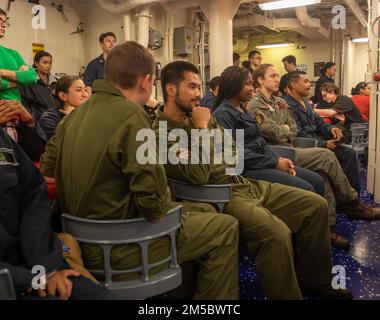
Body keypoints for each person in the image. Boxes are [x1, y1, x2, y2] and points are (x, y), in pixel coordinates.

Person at [40, 41, 240, 300]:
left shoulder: (73, 117)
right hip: (122, 248)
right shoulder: (133, 117)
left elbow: (47, 170)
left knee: (201, 211)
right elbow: (154, 207)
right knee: (224, 227)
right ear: (147, 81)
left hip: (81, 240)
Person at [152, 60, 353, 300]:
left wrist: (208, 148)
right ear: (171, 90)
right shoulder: (161, 132)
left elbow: (233, 153)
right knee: (276, 233)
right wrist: (203, 129)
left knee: (315, 205)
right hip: (219, 196)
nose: (198, 94)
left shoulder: (199, 116)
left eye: (199, 87)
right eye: (192, 87)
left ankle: (315, 280)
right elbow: (199, 174)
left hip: (242, 183)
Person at [247, 66, 380, 242]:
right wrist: (285, 130)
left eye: (278, 75)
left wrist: (287, 129)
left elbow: (292, 129)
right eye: (272, 76)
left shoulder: (278, 102)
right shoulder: (254, 105)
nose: (277, 79)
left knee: (324, 173)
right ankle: (352, 202)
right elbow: (268, 132)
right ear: (260, 80)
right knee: (326, 156)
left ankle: (327, 226)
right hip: (277, 152)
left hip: (288, 146)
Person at [0, 128, 114, 300]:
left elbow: (33, 194)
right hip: (12, 281)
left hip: (33, 262)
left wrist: (47, 268)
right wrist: (31, 280)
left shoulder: (3, 141)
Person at [213, 66, 325, 196]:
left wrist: (277, 158)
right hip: (247, 169)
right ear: (234, 85)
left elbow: (259, 141)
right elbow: (235, 154)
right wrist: (274, 163)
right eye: (248, 84)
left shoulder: (242, 110)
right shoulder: (223, 115)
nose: (252, 89)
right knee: (307, 189)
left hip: (261, 161)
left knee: (317, 181)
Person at [0, 8, 44, 162]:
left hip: (16, 117)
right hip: (2, 114)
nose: (3, 24)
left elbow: (32, 77)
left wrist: (2, 73)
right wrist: (18, 79)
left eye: (4, 22)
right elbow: (24, 78)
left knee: (17, 165)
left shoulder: (12, 53)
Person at [40, 76, 89, 141]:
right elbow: (57, 145)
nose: (85, 94)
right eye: (79, 90)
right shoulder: (50, 118)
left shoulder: (90, 113)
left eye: (85, 90)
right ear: (63, 96)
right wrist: (71, 118)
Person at [19, 51, 59, 121]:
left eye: (50, 63)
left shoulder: (55, 82)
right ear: (36, 63)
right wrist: (34, 117)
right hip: (38, 122)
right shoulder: (29, 81)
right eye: (45, 62)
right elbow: (23, 104)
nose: (48, 65)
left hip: (56, 120)